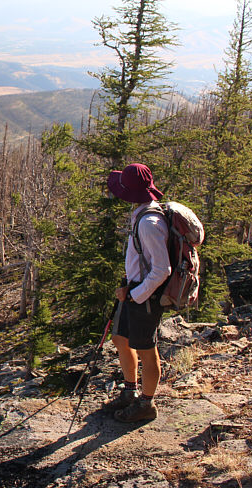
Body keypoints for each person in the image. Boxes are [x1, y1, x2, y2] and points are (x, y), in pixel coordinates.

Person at [103, 163, 170, 422]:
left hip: (146, 296)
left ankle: (147, 404)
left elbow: (162, 269)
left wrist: (136, 294)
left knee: (146, 348)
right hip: (134, 289)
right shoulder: (142, 214)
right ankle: (130, 392)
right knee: (121, 339)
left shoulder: (150, 223)